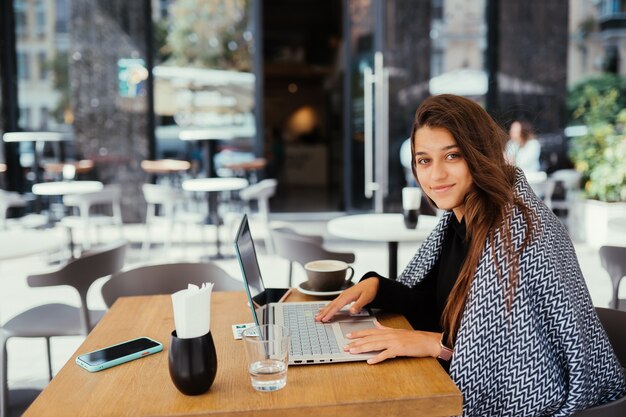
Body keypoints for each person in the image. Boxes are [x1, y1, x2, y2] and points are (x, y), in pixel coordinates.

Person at [316, 94, 625, 416]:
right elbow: (439, 305)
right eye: (424, 160)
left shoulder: (519, 232)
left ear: (480, 155)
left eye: (452, 156)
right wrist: (379, 288)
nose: (435, 176)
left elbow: (519, 356)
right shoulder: (459, 220)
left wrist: (439, 345)